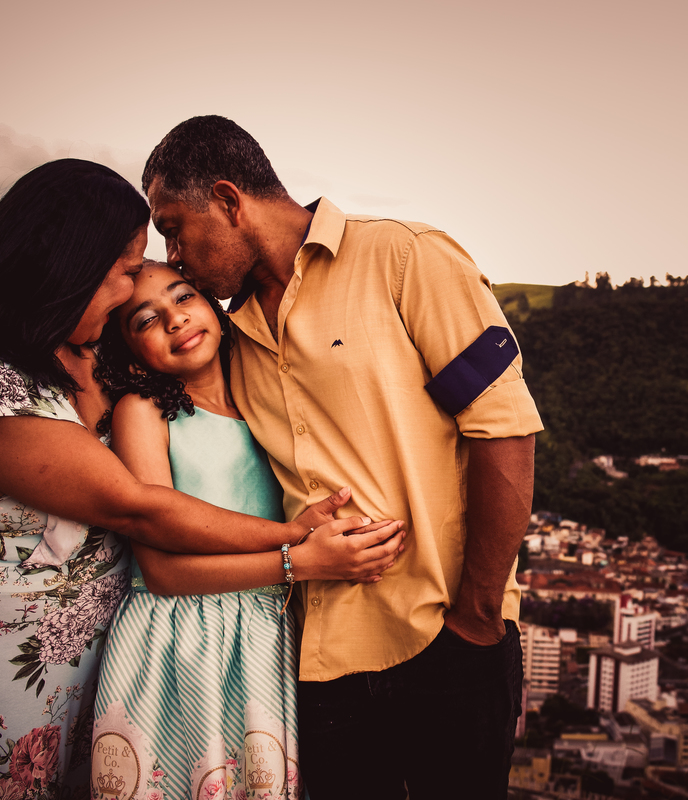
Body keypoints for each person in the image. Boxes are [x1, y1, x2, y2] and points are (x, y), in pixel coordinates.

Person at [0, 160, 402, 799]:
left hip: (105, 671)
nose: (131, 288)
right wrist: (296, 545)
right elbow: (140, 509)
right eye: (122, 275)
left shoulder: (87, 355)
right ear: (72, 268)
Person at [142, 116, 543, 798]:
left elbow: (503, 429)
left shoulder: (407, 259)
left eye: (174, 227)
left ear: (230, 200)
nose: (174, 254)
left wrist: (476, 617)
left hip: (446, 640)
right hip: (316, 663)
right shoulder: (225, 330)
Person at [89, 260, 405, 800]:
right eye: (145, 320)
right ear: (127, 348)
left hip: (266, 635)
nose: (175, 320)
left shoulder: (266, 398)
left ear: (212, 303)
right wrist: (300, 558)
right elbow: (161, 572)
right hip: (182, 641)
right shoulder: (142, 412)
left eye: (183, 297)